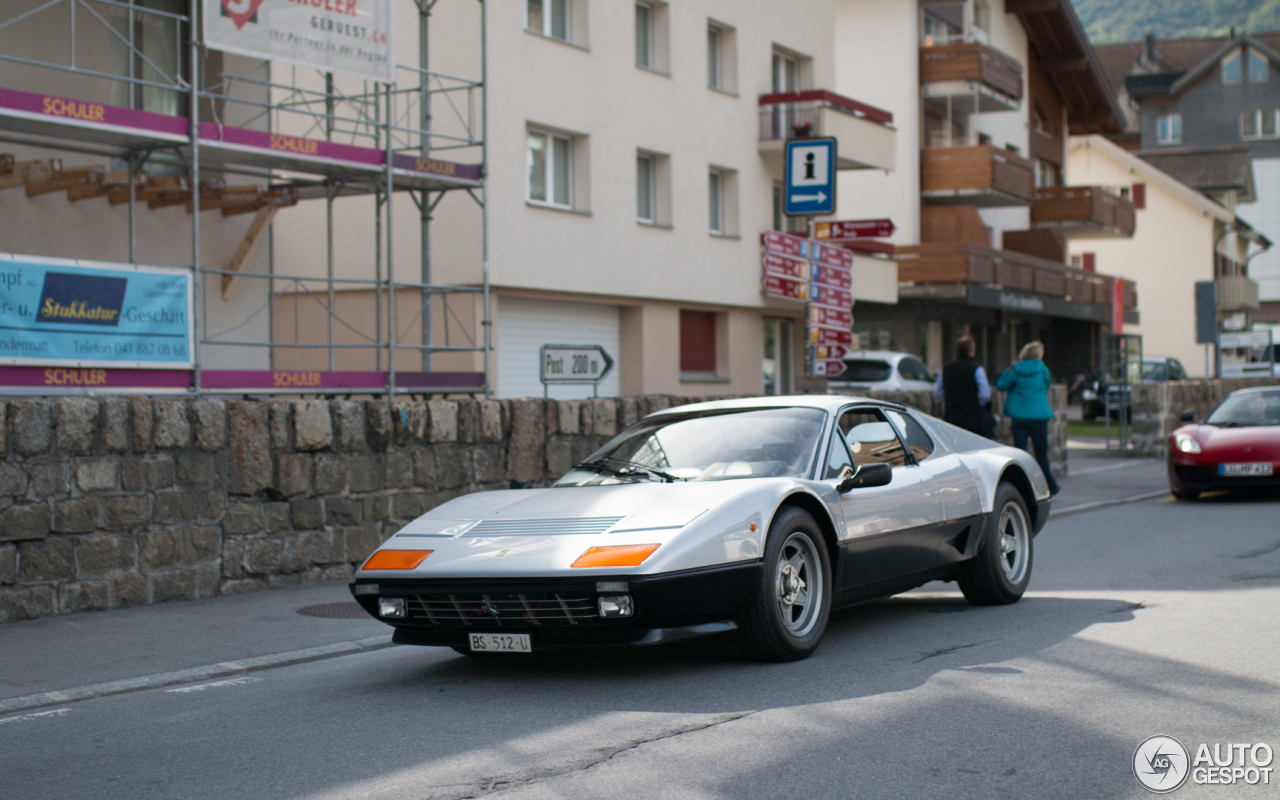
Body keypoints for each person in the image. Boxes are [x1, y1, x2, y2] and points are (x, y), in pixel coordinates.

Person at [997, 341, 1061, 496]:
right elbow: (1047, 385)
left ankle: (1021, 488)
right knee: (1041, 455)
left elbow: (1001, 386)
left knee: (1020, 454)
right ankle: (1050, 486)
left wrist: (1006, 372)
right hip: (1039, 418)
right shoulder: (1042, 369)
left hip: (1019, 418)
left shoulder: (1016, 370)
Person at [934, 335, 991, 436]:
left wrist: (951, 401)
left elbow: (938, 392)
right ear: (972, 350)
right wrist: (975, 403)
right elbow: (985, 394)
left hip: (951, 415)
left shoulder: (946, 368)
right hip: (971, 416)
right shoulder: (976, 369)